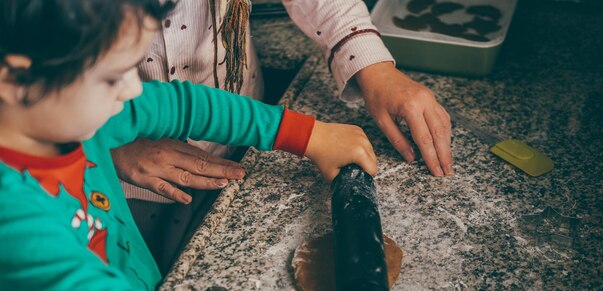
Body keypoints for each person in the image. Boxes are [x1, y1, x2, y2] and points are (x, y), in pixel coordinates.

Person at [0, 1, 404, 291]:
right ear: (15, 78)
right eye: (109, 77)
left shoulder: (67, 121)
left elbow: (180, 104)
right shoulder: (14, 219)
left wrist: (306, 135)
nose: (133, 88)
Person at [111, 0, 454, 274]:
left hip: (243, 135)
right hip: (121, 181)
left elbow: (184, 105)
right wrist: (109, 142)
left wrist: (373, 66)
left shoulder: (183, 104)